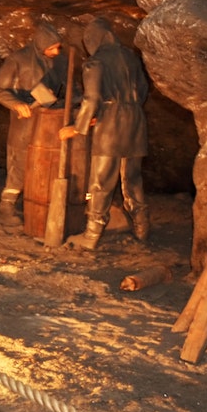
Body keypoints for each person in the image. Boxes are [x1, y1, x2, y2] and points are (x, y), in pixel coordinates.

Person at [59, 17, 150, 250]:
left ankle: (91, 235)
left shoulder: (95, 63)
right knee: (132, 178)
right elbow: (143, 89)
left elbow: (91, 99)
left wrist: (76, 128)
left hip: (111, 125)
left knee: (101, 182)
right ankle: (141, 228)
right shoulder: (131, 57)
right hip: (136, 121)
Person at [0, 22, 67, 222]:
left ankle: (36, 204)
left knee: (45, 163)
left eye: (58, 47)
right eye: (53, 47)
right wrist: (17, 104)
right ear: (42, 45)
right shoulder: (18, 60)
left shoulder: (57, 62)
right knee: (20, 161)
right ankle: (7, 206)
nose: (56, 51)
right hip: (24, 121)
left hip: (49, 122)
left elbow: (67, 88)